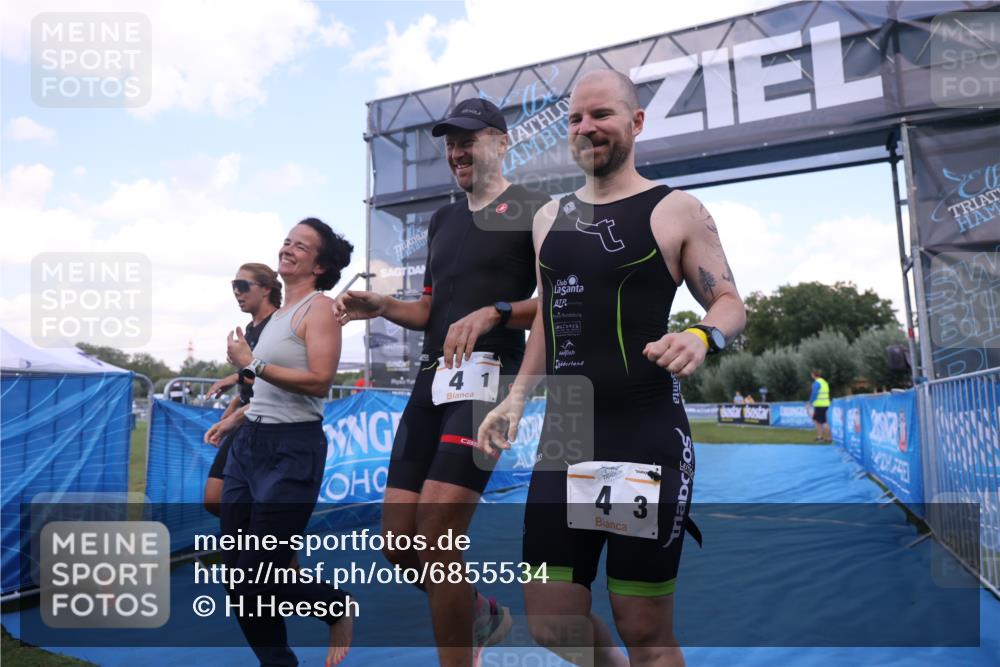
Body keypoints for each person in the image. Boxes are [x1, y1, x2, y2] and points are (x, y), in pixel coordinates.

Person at [478, 69, 746, 667]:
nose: (586, 128)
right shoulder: (550, 219)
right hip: (566, 439)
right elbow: (551, 317)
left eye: (600, 115)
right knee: (551, 622)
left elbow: (730, 302)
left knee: (643, 630)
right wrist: (517, 397)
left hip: (639, 439)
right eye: (575, 118)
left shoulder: (676, 210)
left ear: (636, 122)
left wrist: (704, 336)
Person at [333, 97, 548, 667]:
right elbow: (430, 310)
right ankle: (480, 613)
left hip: (491, 380)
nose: (456, 150)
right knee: (399, 544)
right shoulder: (443, 219)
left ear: (501, 142)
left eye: (469, 138)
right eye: (449, 141)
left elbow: (556, 303)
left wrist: (496, 311)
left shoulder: (534, 208)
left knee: (435, 539)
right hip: (432, 384)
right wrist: (381, 304)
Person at [213, 218, 354, 667]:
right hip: (249, 445)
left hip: (291, 450)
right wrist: (237, 418)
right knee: (238, 575)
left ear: (319, 264)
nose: (288, 248)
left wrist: (250, 364)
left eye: (302, 245)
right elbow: (263, 387)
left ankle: (336, 606)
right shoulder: (273, 320)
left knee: (264, 572)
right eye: (287, 241)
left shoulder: (320, 309)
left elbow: (318, 382)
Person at [202, 263, 281, 517]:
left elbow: (275, 382)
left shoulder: (279, 325)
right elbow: (254, 375)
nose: (237, 292)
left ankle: (278, 551)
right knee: (214, 499)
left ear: (266, 289)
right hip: (246, 417)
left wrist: (236, 415)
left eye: (243, 286)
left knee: (248, 505)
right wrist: (235, 399)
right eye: (234, 286)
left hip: (270, 423)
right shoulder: (250, 328)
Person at [808, 369, 832, 443]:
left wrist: (809, 403)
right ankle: (820, 437)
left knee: (823, 422)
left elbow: (814, 393)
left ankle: (829, 438)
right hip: (825, 404)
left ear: (813, 375)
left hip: (820, 404)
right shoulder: (824, 382)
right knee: (817, 421)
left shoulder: (816, 383)